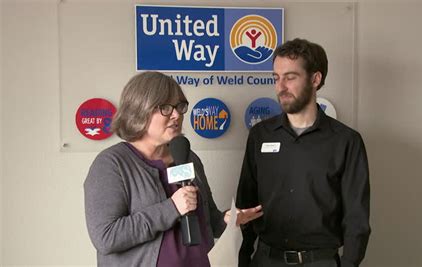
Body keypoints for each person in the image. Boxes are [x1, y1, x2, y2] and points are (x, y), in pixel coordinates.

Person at [84, 71, 262, 267]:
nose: (177, 115)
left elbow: (209, 220)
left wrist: (229, 220)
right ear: (139, 109)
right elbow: (106, 237)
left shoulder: (188, 156)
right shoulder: (112, 164)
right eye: (166, 108)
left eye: (180, 107)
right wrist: (171, 208)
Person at [236, 38, 371, 267]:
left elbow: (356, 220)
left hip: (320, 261)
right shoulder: (261, 136)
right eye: (276, 78)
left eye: (290, 77)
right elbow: (246, 206)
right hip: (266, 260)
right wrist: (242, 259)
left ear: (315, 79)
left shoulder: (346, 141)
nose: (281, 87)